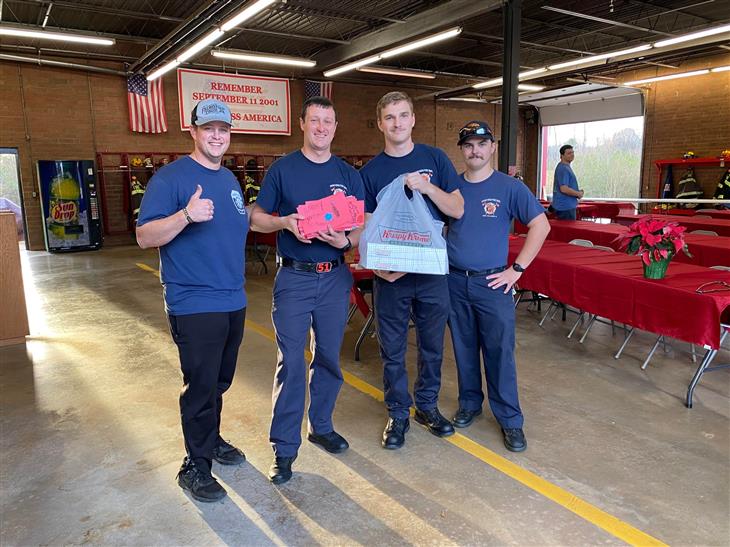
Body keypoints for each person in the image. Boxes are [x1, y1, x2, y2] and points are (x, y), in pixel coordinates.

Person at [136, 99, 249, 502]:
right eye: (209, 128)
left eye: (224, 129)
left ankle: (211, 439)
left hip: (232, 298)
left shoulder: (231, 180)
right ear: (194, 131)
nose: (217, 135)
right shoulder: (171, 179)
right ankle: (195, 465)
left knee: (219, 381)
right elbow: (145, 236)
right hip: (194, 301)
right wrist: (185, 215)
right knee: (201, 386)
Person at [250, 96, 365, 485]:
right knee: (292, 363)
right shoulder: (283, 170)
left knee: (329, 358)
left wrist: (344, 242)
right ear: (302, 124)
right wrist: (284, 222)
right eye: (314, 120)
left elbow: (362, 221)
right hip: (295, 279)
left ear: (335, 126)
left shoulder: (348, 173)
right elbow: (257, 218)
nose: (321, 127)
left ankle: (321, 425)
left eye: (327, 121)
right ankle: (284, 449)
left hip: (334, 277)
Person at [360, 91, 464, 449]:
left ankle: (427, 406)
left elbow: (457, 208)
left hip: (432, 273)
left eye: (403, 115)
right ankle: (398, 413)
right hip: (391, 278)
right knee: (392, 347)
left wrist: (427, 186)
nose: (397, 123)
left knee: (432, 345)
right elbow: (368, 228)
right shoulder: (372, 172)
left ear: (413, 119)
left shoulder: (434, 159)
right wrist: (381, 267)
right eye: (390, 117)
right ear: (380, 124)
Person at [447, 120, 550, 452]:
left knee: (499, 352)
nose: (475, 150)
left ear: (492, 147)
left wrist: (517, 269)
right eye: (468, 145)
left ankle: (510, 420)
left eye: (481, 144)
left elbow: (540, 225)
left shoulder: (510, 188)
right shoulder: (451, 187)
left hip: (493, 284)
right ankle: (470, 404)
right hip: (454, 280)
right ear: (461, 150)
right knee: (463, 348)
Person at [551, 145, 584, 220]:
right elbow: (564, 189)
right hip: (565, 207)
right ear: (561, 156)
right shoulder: (563, 168)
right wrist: (578, 194)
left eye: (572, 152)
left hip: (565, 206)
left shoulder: (565, 167)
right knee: (568, 231)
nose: (572, 155)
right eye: (569, 153)